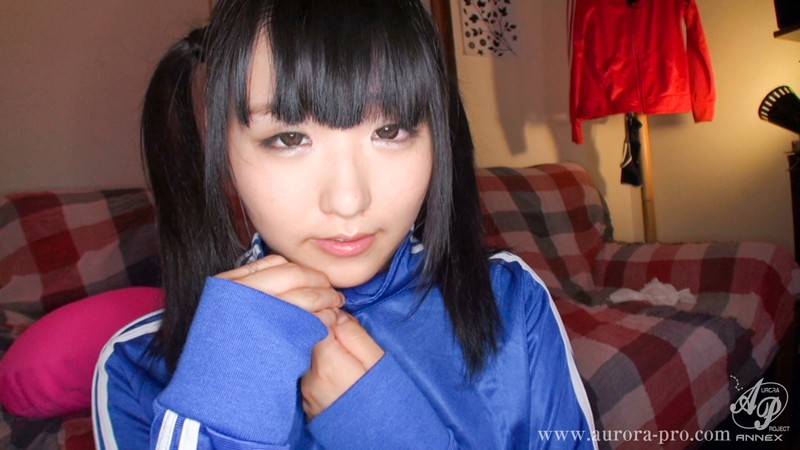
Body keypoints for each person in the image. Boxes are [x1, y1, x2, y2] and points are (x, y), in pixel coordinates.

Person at [92, 0, 597, 448]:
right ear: (224, 151)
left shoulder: (509, 300)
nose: (349, 200)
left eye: (390, 130)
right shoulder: (135, 371)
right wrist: (224, 412)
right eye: (290, 138)